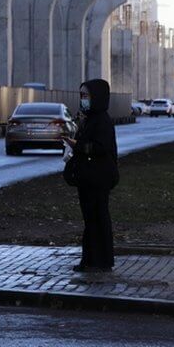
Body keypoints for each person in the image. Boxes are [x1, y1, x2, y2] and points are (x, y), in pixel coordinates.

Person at [64, 78, 118, 272]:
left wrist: (78, 145)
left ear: (97, 97)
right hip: (88, 178)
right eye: (82, 96)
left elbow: (100, 148)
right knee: (90, 220)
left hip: (98, 178)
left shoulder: (102, 120)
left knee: (98, 218)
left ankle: (101, 260)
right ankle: (90, 259)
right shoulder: (89, 119)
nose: (83, 99)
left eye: (86, 95)